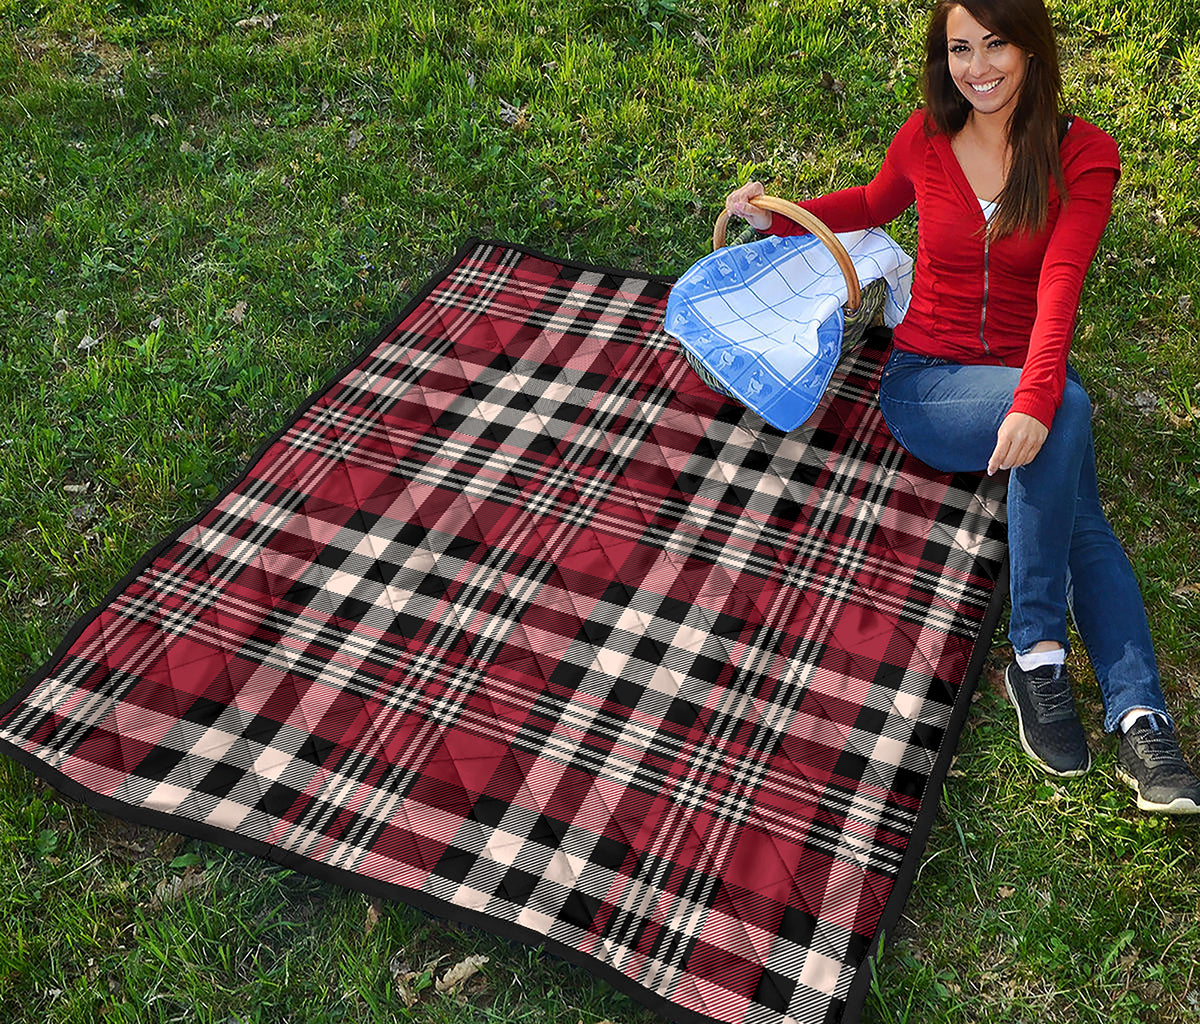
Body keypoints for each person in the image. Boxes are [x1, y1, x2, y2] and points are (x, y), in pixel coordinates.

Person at [724, 0, 1200, 814]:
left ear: (1032, 48)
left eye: (996, 44)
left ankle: (1135, 714)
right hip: (927, 385)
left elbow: (1061, 284)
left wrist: (1036, 396)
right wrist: (779, 221)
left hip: (1019, 375)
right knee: (1070, 420)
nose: (977, 67)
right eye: (959, 49)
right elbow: (872, 205)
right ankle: (1045, 655)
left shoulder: (1083, 156)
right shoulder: (925, 137)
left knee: (1074, 476)